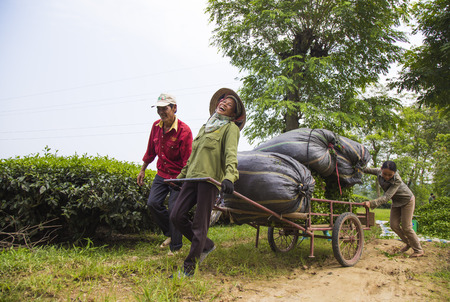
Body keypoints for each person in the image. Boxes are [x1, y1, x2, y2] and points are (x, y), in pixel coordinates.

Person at [170, 88, 246, 276]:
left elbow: (230, 155)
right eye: (223, 102)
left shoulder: (230, 129)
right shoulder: (206, 127)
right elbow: (193, 155)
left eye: (229, 105)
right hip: (192, 178)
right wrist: (181, 177)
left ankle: (188, 269)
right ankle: (207, 245)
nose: (224, 104)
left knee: (199, 224)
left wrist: (229, 177)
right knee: (176, 216)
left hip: (209, 180)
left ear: (232, 114)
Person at [137, 93, 193, 255]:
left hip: (178, 176)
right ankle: (169, 233)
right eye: (159, 109)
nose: (161, 112)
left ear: (174, 108)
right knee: (153, 203)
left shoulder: (184, 131)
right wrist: (143, 169)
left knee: (175, 209)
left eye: (165, 108)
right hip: (162, 174)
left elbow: (187, 161)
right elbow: (150, 151)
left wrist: (182, 181)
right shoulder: (156, 127)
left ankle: (175, 248)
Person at [363, 161, 424, 258]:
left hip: (407, 200)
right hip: (396, 202)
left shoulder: (397, 180)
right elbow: (366, 169)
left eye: (390, 175)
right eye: (385, 174)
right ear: (381, 170)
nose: (387, 177)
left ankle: (418, 249)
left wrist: (371, 203)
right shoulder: (378, 171)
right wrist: (356, 167)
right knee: (393, 225)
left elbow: (387, 197)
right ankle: (408, 243)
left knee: (406, 227)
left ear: (394, 173)